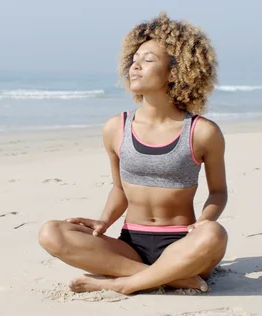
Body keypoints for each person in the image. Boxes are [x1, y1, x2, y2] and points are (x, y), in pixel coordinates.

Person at [37, 12, 228, 295]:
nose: (135, 66)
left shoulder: (202, 132)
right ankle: (166, 278)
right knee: (50, 233)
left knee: (215, 234)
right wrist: (104, 221)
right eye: (134, 59)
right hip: (130, 246)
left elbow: (218, 192)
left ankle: (124, 283)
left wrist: (203, 222)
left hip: (182, 243)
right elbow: (119, 187)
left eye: (148, 60)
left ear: (175, 72)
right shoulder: (116, 128)